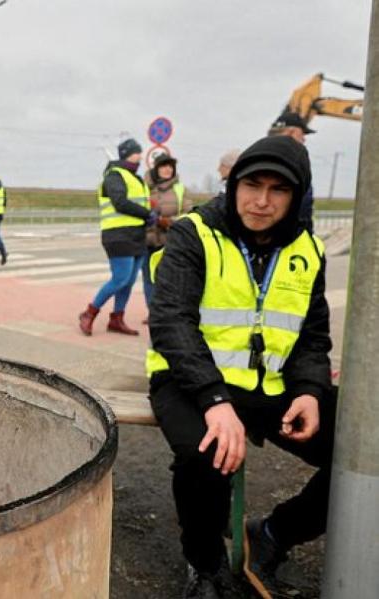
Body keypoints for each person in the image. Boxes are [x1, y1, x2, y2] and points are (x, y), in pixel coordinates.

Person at [147, 136, 335, 598]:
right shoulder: (195, 233)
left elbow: (312, 337)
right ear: (233, 184)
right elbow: (171, 320)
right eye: (252, 184)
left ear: (296, 196)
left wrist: (310, 390)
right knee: (204, 455)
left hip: (270, 384)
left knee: (361, 453)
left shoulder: (308, 250)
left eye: (278, 190)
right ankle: (205, 564)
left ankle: (271, 535)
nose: (262, 201)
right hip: (188, 379)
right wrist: (214, 399)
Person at [78, 138, 152, 336]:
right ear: (129, 154)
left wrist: (150, 216)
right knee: (120, 279)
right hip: (118, 235)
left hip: (137, 235)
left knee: (128, 282)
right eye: (138, 153)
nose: (141, 156)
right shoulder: (114, 176)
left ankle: (117, 319)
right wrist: (148, 214)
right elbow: (120, 202)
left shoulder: (135, 177)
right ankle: (89, 312)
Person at [142, 154, 191, 310]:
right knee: (149, 279)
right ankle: (153, 313)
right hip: (146, 240)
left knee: (170, 279)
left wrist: (170, 222)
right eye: (164, 166)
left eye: (171, 166)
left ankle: (168, 312)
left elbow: (187, 213)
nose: (168, 169)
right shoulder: (144, 187)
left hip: (170, 241)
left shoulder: (180, 188)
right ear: (156, 169)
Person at [269, 112, 315, 231]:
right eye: (302, 134)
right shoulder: (292, 163)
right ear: (291, 132)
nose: (304, 139)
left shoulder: (256, 157)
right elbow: (302, 210)